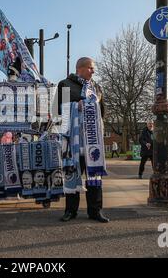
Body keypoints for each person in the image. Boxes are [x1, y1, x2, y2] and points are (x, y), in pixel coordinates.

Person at [56, 57, 109, 223]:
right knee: (72, 174)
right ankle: (70, 211)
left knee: (94, 177)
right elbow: (58, 110)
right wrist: (74, 105)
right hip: (73, 140)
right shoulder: (65, 84)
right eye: (91, 68)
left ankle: (95, 211)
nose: (93, 71)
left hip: (92, 141)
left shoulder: (96, 87)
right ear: (80, 68)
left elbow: (102, 112)